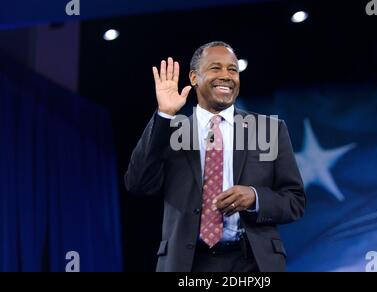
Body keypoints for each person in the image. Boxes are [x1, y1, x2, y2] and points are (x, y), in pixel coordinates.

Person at [124, 41, 306, 272]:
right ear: (193, 78)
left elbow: (295, 201)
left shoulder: (270, 129)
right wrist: (164, 116)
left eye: (232, 69)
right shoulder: (172, 132)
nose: (226, 76)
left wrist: (255, 197)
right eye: (215, 68)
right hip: (188, 264)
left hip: (252, 263)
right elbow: (138, 184)